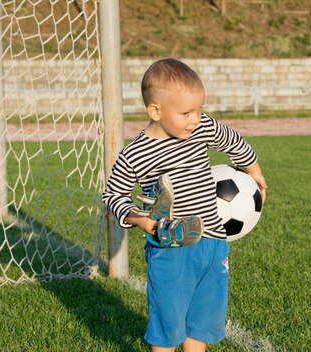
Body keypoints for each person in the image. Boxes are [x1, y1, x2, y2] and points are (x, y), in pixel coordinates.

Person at [102, 58, 267, 352]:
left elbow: (233, 140)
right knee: (168, 325)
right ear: (155, 110)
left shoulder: (200, 128)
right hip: (171, 250)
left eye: (199, 110)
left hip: (213, 244)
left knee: (201, 322)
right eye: (186, 112)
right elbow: (113, 194)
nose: (196, 118)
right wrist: (140, 220)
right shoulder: (136, 153)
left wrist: (254, 173)